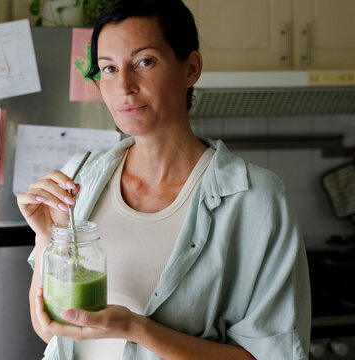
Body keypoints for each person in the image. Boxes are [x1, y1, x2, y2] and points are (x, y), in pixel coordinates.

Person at [17, 0, 311, 359]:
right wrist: (48, 236)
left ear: (190, 68)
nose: (124, 85)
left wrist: (135, 328)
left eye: (145, 62)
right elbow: (50, 330)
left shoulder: (256, 199)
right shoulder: (79, 175)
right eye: (108, 68)